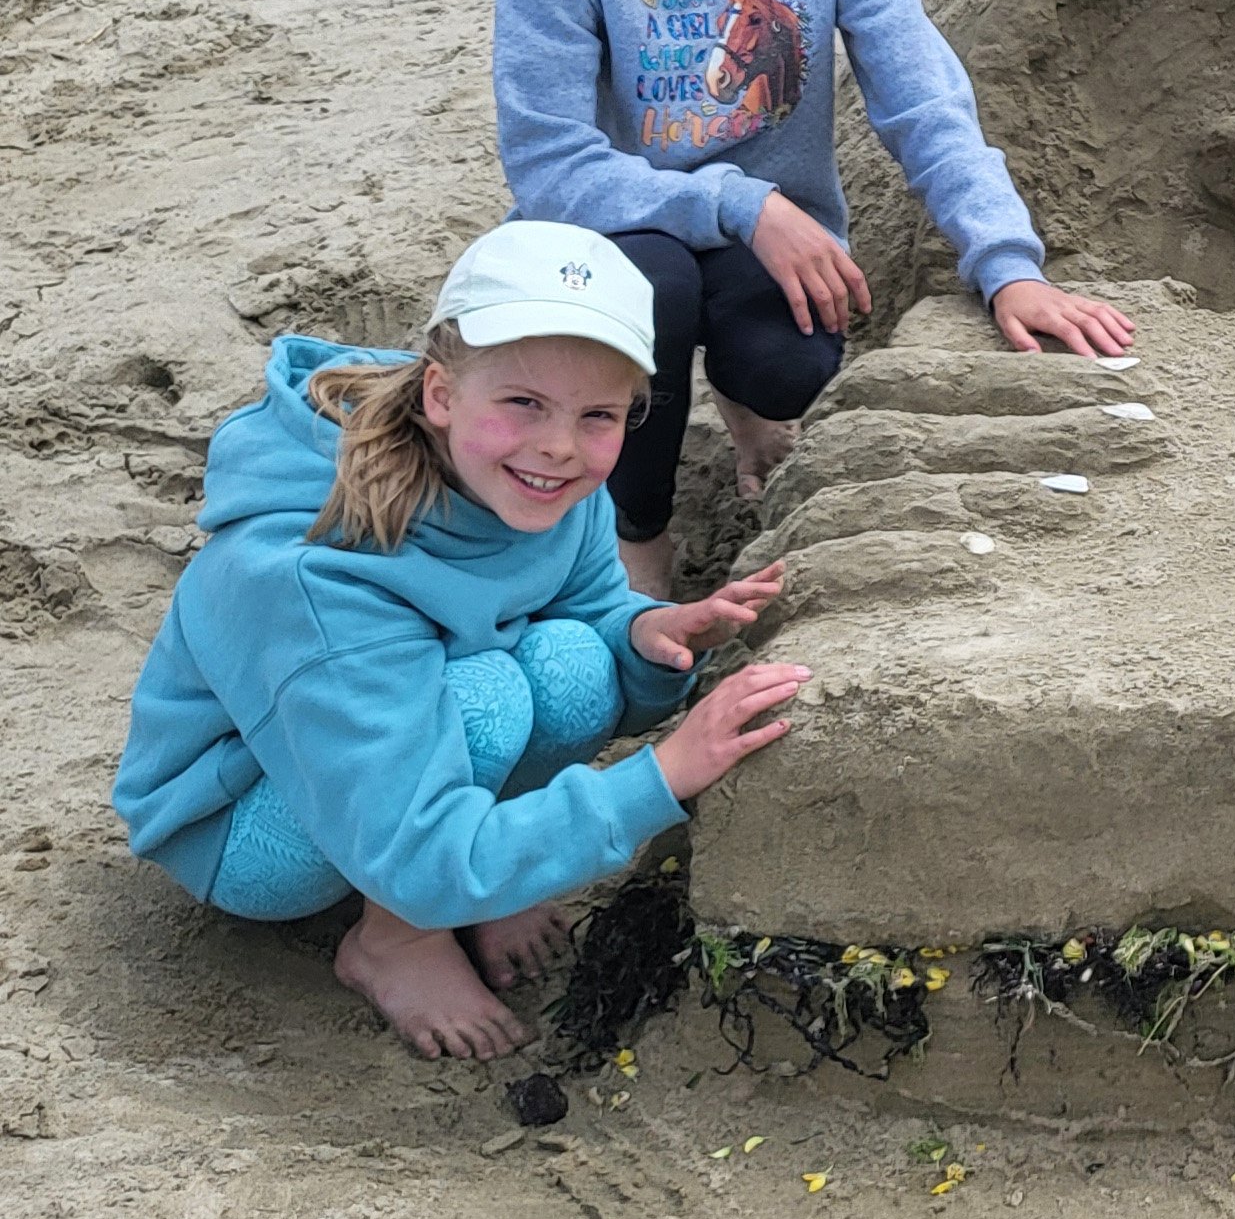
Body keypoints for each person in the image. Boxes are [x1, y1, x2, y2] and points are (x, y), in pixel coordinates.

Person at [494, 0, 1136, 595]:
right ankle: (635, 542)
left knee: (789, 362)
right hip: (617, 240)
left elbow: (922, 95)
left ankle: (750, 412)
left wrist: (1007, 265)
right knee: (656, 287)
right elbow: (550, 165)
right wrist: (743, 203)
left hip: (771, 240)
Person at [112, 223, 810, 1058]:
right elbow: (416, 850)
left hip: (389, 755)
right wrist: (658, 777)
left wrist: (642, 631)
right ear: (442, 394)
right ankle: (394, 940)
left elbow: (586, 606)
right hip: (243, 825)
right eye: (524, 403)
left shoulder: (544, 479)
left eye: (599, 415)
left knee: (574, 665)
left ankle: (487, 869)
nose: (558, 444)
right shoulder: (316, 575)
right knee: (484, 699)